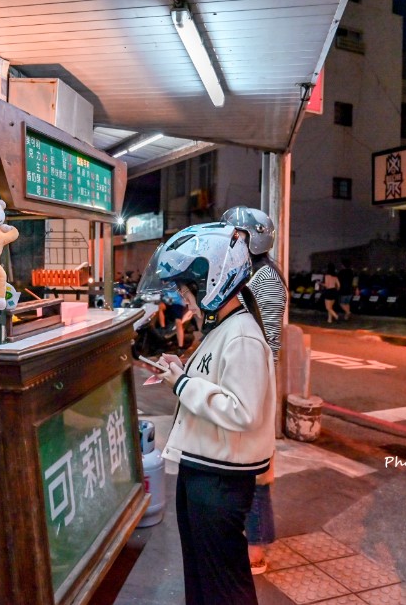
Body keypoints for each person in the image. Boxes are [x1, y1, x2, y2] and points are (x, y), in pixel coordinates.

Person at [141, 222, 276, 605]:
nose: (185, 298)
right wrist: (181, 372)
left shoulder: (243, 334)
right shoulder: (224, 328)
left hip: (220, 479)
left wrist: (183, 384)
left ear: (213, 281)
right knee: (203, 576)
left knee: (223, 584)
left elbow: (242, 409)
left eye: (187, 289)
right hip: (204, 468)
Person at [222, 205, 287, 575]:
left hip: (258, 380)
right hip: (247, 377)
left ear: (253, 238)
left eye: (236, 235)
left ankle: (257, 550)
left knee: (258, 470)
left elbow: (269, 342)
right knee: (246, 466)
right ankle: (251, 538)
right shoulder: (247, 273)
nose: (230, 241)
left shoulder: (265, 280)